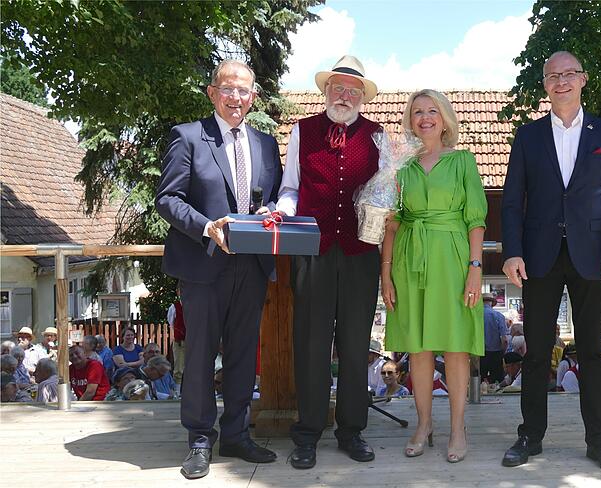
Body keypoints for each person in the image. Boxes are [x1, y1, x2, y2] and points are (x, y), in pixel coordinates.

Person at [500, 51, 601, 475]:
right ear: (544, 84)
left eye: (569, 74)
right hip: (538, 257)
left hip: (592, 257)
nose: (561, 81)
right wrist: (512, 251)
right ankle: (530, 437)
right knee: (536, 352)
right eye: (553, 75)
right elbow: (511, 200)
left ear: (583, 79)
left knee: (593, 353)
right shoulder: (527, 136)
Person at [155, 58, 282, 479]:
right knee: (201, 355)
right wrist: (207, 227)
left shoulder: (265, 144)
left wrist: (270, 212)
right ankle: (198, 438)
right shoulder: (188, 137)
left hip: (252, 265)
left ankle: (236, 434)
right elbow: (168, 200)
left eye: (243, 90)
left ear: (253, 97)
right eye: (227, 89)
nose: (235, 97)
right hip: (203, 265)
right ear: (212, 92)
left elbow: (276, 198)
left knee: (244, 355)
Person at [275, 55, 381, 470]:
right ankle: (307, 434)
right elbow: (290, 187)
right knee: (311, 344)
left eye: (352, 90)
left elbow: (383, 191)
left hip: (360, 253)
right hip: (313, 251)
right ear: (326, 91)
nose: (344, 95)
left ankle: (352, 430)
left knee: (356, 345)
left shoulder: (376, 135)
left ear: (361, 97)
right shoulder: (303, 130)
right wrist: (282, 212)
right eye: (337, 87)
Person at [382, 88, 487, 464]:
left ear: (445, 119)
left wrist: (476, 269)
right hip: (410, 257)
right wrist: (386, 273)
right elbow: (391, 224)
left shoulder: (463, 162)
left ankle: (457, 427)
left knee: (456, 346)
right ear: (410, 121)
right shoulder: (400, 167)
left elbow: (476, 219)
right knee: (419, 346)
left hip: (454, 257)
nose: (425, 117)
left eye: (432, 111)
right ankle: (424, 423)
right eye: (417, 112)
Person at [481, 293, 509, 383]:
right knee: (497, 382)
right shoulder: (498, 316)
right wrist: (502, 351)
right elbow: (504, 340)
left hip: (479, 353)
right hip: (496, 353)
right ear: (492, 303)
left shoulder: (475, 316)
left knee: (479, 381)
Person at [167, 286, 186, 385]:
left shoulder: (195, 306)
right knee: (178, 369)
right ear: (177, 292)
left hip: (194, 342)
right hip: (180, 342)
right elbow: (171, 323)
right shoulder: (174, 307)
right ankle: (178, 392)